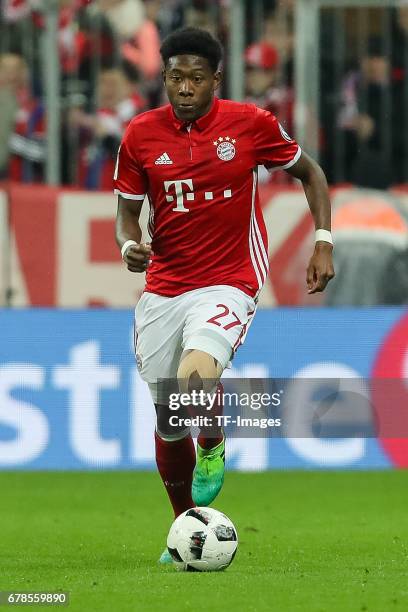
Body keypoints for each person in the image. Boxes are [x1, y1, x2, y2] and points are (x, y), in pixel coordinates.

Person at [114, 27, 334, 564]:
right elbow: (126, 213)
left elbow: (311, 173)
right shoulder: (140, 135)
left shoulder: (251, 125)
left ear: (215, 79)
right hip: (164, 285)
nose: (184, 88)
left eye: (194, 78)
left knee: (194, 378)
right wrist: (128, 245)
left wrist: (323, 242)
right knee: (169, 417)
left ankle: (211, 439)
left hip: (229, 278)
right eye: (174, 78)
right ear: (163, 79)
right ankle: (183, 530)